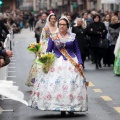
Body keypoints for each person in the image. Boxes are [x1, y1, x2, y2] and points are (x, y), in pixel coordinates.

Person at [28, 16, 88, 116]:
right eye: (60, 24)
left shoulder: (72, 36)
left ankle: (71, 107)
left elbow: (77, 50)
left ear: (67, 26)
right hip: (56, 62)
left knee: (72, 84)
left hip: (71, 62)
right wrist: (45, 61)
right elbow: (48, 51)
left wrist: (80, 62)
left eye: (64, 25)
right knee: (55, 84)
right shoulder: (53, 36)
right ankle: (61, 108)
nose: (61, 26)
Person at [25, 13, 57, 87]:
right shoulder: (46, 28)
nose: (53, 20)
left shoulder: (58, 28)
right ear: (49, 19)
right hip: (46, 45)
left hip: (56, 45)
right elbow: (42, 38)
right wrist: (40, 47)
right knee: (41, 63)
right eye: (51, 19)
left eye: (54, 19)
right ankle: (39, 80)